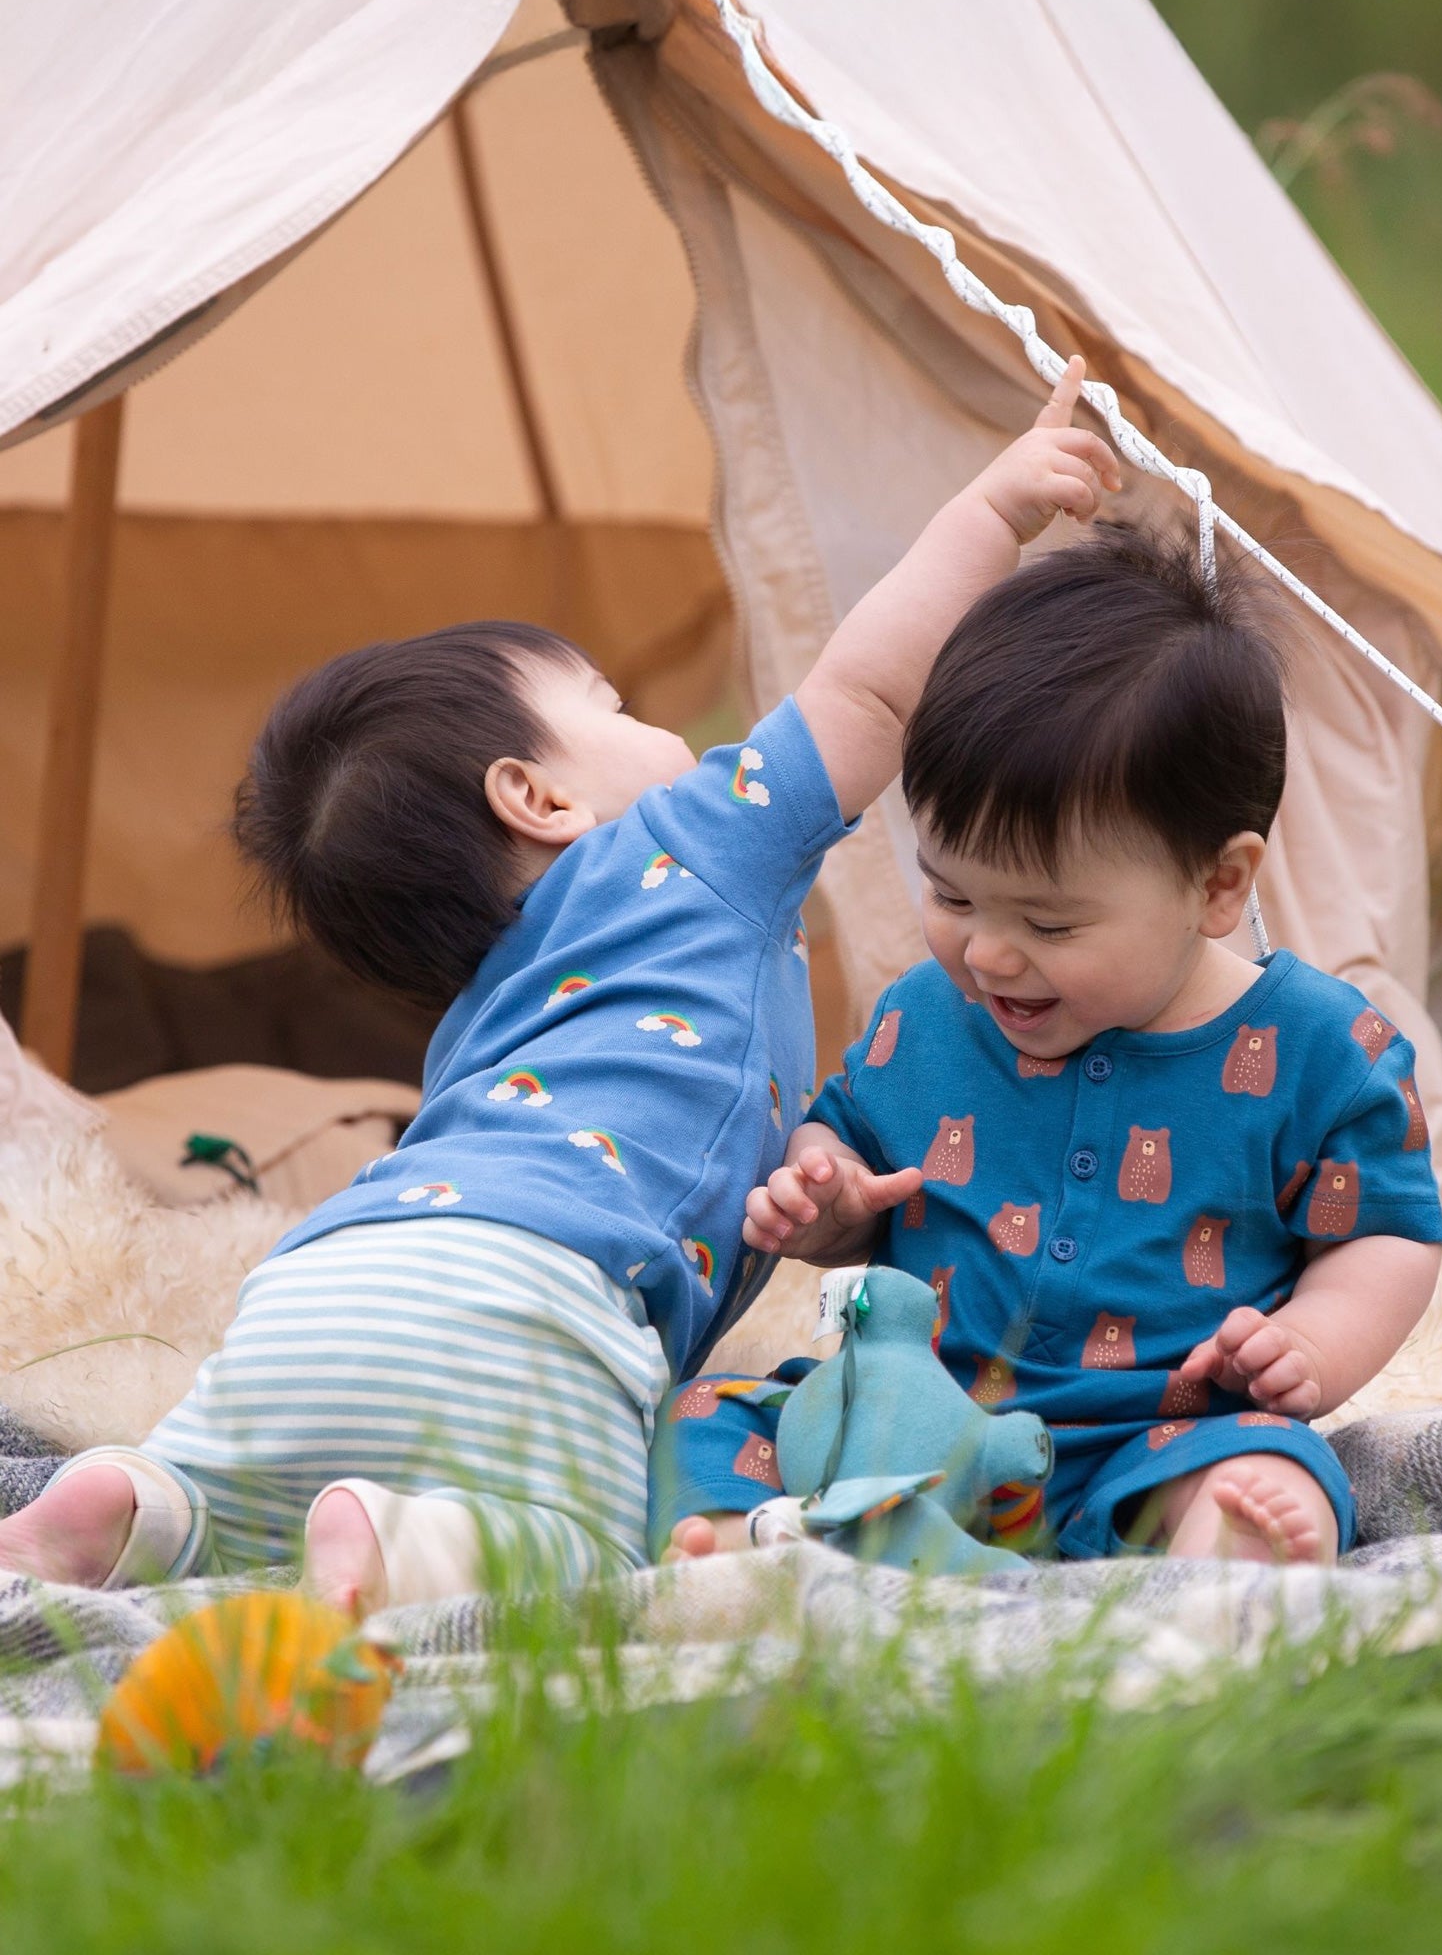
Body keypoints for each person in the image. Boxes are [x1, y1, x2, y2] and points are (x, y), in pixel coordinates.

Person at [0, 365, 1119, 1615]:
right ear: (536, 798)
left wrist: (805, 1183)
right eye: (614, 706)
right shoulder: (698, 841)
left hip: (319, 1284)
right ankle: (400, 1543)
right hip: (537, 1293)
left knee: (246, 1491)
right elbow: (869, 687)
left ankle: (144, 1501)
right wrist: (992, 513)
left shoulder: (483, 1012)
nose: (665, 733)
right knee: (590, 1558)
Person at [661, 524, 1442, 1567]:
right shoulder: (925, 1016)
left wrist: (1310, 1343)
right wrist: (832, 1196)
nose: (985, 951)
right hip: (917, 1427)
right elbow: (844, 1133)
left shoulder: (1320, 1048)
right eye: (949, 891)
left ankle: (1200, 1566)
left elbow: (1385, 1233)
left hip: (1154, 1435)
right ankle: (755, 1546)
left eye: (1049, 923)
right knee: (700, 1412)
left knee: (1267, 1473)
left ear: (1215, 885)